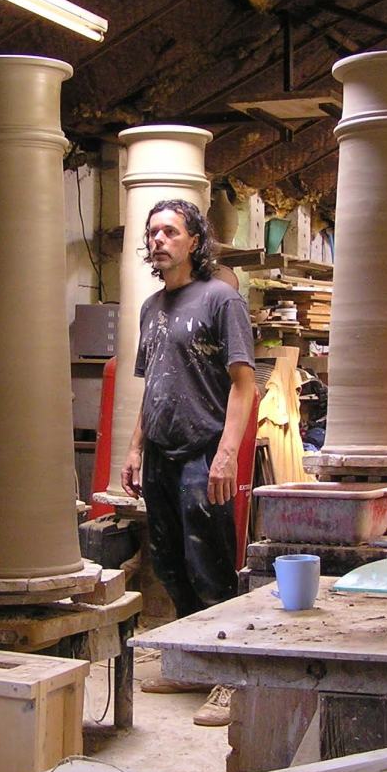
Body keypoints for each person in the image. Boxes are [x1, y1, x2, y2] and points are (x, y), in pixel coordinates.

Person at [121, 198, 255, 724]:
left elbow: (244, 385)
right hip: (160, 453)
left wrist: (226, 454)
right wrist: (134, 448)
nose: (159, 240)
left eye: (171, 232)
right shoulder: (151, 307)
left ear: (194, 241)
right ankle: (190, 662)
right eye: (153, 232)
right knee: (171, 563)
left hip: (204, 451)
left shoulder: (221, 300)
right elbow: (151, 384)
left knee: (211, 568)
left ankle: (230, 677)